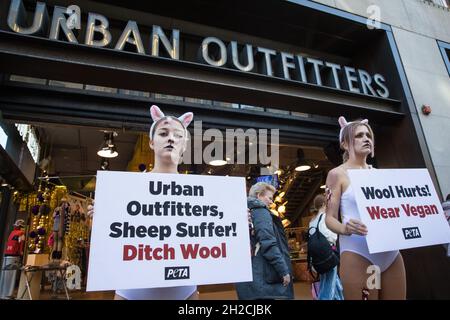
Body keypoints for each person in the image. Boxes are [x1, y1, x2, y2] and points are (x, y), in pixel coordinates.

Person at [90, 105, 197, 300]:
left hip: (184, 290)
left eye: (178, 135)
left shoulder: (203, 194)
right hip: (132, 290)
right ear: (151, 143)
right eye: (163, 133)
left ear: (185, 145)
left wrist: (235, 222)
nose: (171, 138)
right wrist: (101, 216)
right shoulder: (126, 190)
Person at [324, 116, 406, 300]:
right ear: (345, 144)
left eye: (368, 135)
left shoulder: (380, 175)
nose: (366, 138)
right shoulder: (337, 174)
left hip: (391, 254)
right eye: (359, 135)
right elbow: (329, 218)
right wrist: (345, 228)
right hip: (359, 254)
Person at [235, 182, 294, 300]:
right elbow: (268, 243)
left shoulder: (241, 212)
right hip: (265, 279)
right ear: (258, 196)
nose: (272, 202)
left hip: (249, 277)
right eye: (269, 198)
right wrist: (283, 270)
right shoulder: (261, 211)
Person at [308, 194, 343, 300]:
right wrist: (335, 235)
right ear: (323, 204)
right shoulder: (324, 217)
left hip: (319, 257)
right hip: (328, 254)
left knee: (334, 281)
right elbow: (329, 235)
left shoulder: (312, 220)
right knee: (328, 284)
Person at [0, 219, 25, 299]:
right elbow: (21, 244)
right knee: (11, 274)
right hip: (14, 255)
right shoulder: (21, 233)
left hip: (7, 254)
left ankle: (2, 293)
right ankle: (8, 294)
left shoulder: (11, 233)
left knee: (4, 274)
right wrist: (21, 253)